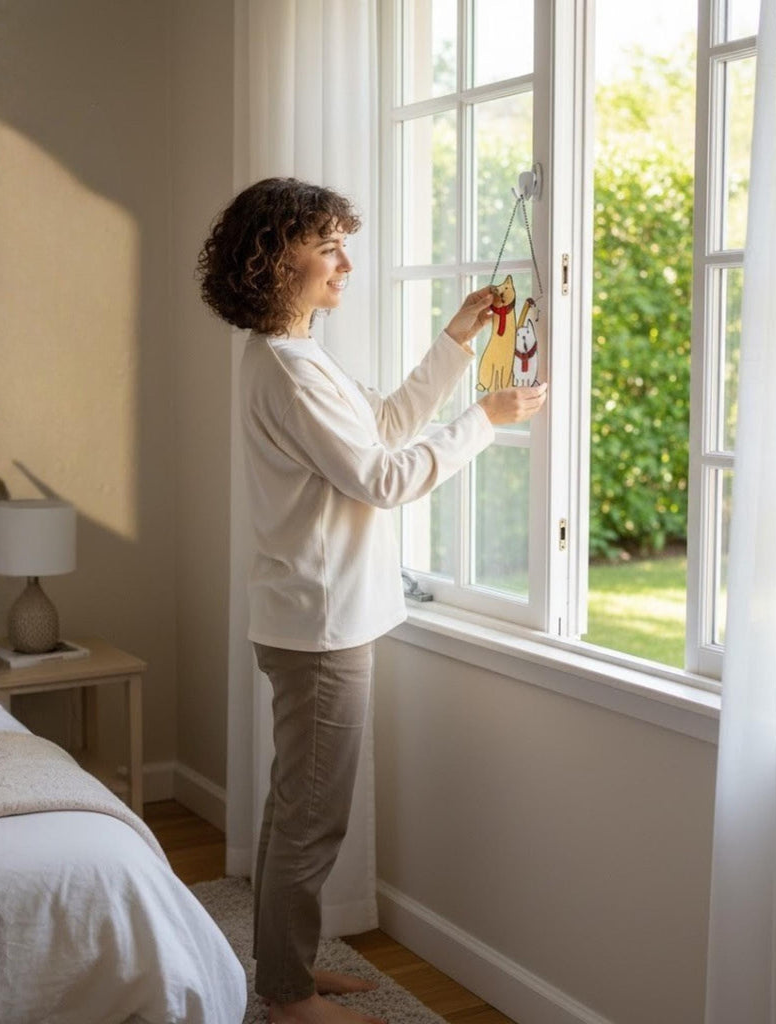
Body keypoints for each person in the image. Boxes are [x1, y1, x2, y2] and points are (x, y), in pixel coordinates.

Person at [197, 177, 547, 1024]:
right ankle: (287, 1000)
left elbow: (384, 425)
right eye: (329, 247)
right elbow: (385, 477)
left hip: (308, 619)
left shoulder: (294, 353)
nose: (346, 262)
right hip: (320, 631)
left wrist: (460, 340)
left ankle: (287, 969)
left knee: (294, 809)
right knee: (311, 820)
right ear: (277, 259)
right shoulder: (289, 369)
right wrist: (485, 421)